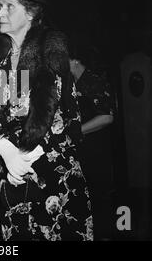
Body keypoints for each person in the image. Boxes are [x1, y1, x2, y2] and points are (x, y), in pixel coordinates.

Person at [0, 0, 93, 240]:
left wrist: (28, 154)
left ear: (30, 14)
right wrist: (4, 150)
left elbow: (62, 114)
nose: (0, 13)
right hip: (13, 175)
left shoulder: (51, 54)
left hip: (53, 168)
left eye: (9, 7)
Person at [68, 37, 115, 240]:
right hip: (82, 153)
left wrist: (77, 131)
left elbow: (107, 116)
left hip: (96, 151)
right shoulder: (71, 84)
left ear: (75, 61)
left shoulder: (93, 81)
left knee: (100, 199)